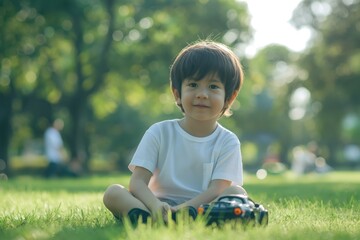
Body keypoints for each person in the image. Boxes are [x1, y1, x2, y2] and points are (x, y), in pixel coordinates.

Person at [103, 40, 247, 224]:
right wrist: (156, 206)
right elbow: (137, 182)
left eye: (213, 86)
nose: (202, 94)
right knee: (113, 192)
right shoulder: (159, 132)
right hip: (156, 204)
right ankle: (145, 218)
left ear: (230, 97)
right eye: (193, 85)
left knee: (236, 193)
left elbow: (217, 190)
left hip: (201, 207)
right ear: (177, 93)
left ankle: (184, 219)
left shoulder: (228, 141)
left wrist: (183, 210)